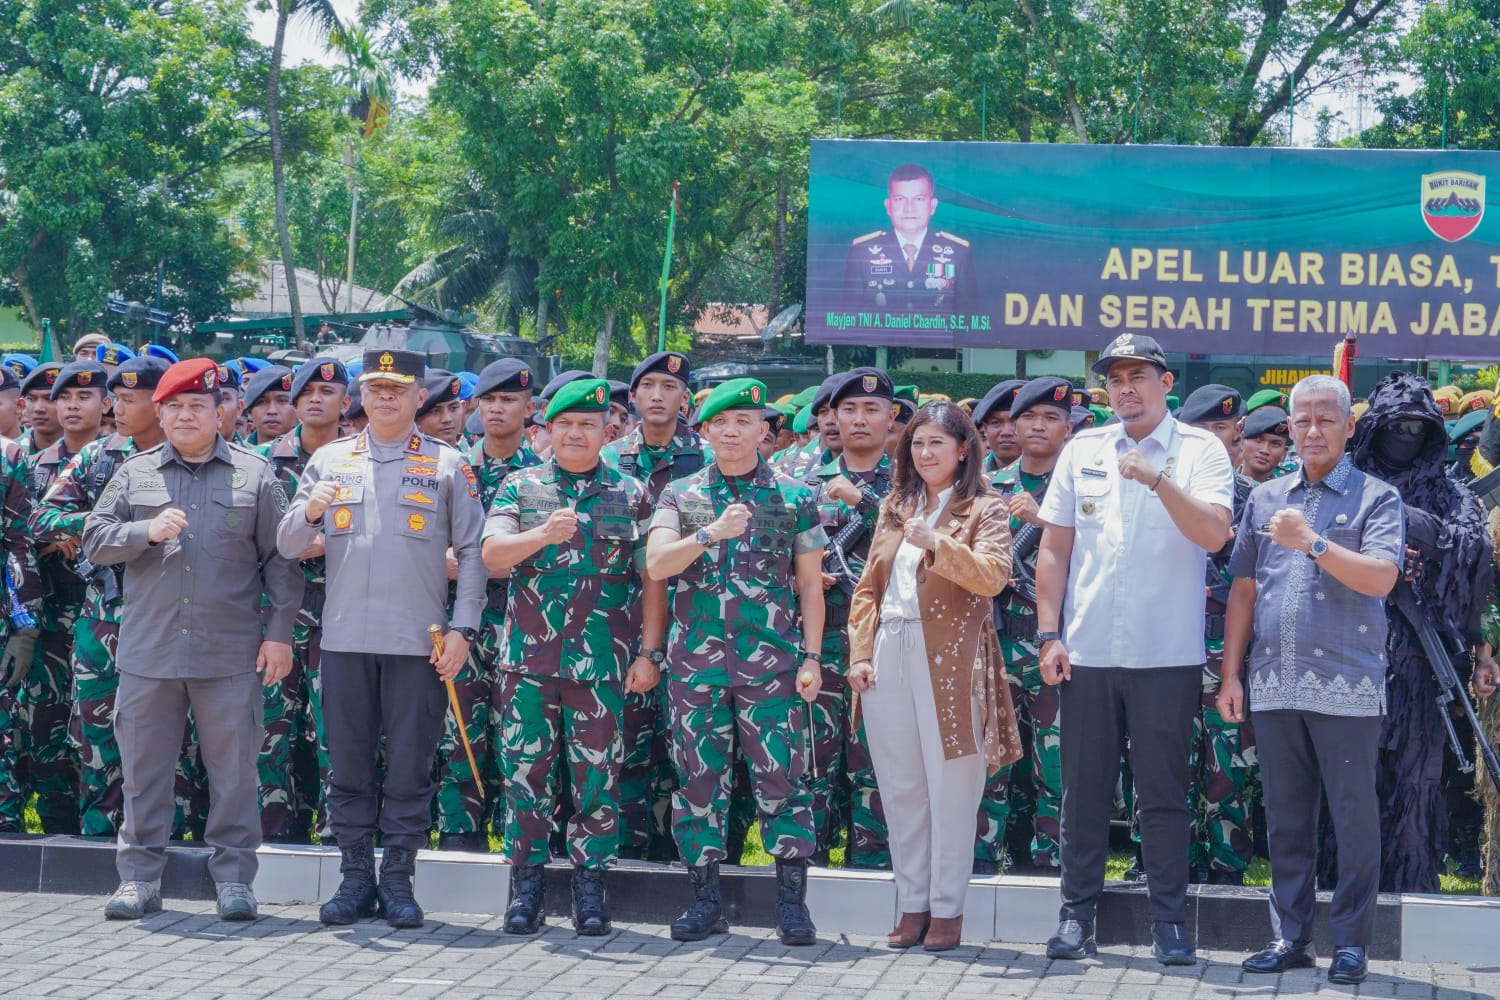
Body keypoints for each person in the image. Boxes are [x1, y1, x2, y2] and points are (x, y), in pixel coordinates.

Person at [1035, 333, 1233, 965]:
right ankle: (1076, 916)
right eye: (1115, 379)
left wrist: (1157, 479)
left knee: (1164, 794)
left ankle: (1169, 921)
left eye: (1138, 376)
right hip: (1088, 650)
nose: (1125, 389)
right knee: (1083, 793)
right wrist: (1048, 632)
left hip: (1166, 654)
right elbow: (1055, 548)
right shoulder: (1084, 449)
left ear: (1165, 384)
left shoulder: (1199, 449)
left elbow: (1215, 533)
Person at [82, 358, 303, 921]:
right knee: (143, 774)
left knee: (235, 775)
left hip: (228, 653)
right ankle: (138, 879)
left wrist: (279, 635)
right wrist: (144, 531)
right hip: (149, 653)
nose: (185, 416)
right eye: (175, 407)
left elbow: (281, 563)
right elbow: (95, 540)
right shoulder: (134, 473)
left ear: (220, 411)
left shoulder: (256, 475)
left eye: (197, 406)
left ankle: (234, 880)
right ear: (160, 414)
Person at [278, 347, 486, 929]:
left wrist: (464, 629)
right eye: (375, 388)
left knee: (410, 768)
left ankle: (397, 879)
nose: (386, 397)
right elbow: (287, 545)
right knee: (347, 766)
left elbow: (472, 553)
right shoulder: (330, 460)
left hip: (419, 642)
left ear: (419, 396)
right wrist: (310, 511)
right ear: (360, 397)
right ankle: (354, 878)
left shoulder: (448, 464)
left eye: (398, 389)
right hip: (345, 640)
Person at [1218, 374, 1407, 986]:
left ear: (1350, 426)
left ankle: (1351, 943)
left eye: (1326, 419)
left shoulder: (1377, 497)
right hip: (1274, 681)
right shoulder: (1266, 497)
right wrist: (1231, 674)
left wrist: (1313, 543)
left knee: (1353, 818)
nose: (1312, 431)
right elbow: (1244, 590)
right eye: (1302, 420)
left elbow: (1381, 578)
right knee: (1285, 817)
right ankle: (1290, 937)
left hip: (1346, 683)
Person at [645, 378, 824, 946]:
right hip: (696, 668)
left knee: (783, 779)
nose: (731, 431)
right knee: (699, 781)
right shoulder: (680, 494)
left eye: (744, 421)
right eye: (720, 422)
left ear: (762, 430)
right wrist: (710, 532)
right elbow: (657, 565)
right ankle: (705, 902)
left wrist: (812, 657)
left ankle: (791, 905)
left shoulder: (795, 496)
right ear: (703, 431)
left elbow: (810, 586)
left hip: (771, 666)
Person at [482, 377, 664, 936]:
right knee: (525, 776)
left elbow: (652, 578)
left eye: (588, 424)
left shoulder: (631, 493)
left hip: (602, 664)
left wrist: (649, 653)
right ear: (547, 429)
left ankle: (591, 888)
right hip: (528, 665)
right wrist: (541, 534)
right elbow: (492, 555)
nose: (576, 433)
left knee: (596, 779)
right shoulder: (520, 486)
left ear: (608, 431)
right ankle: (526, 888)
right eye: (565, 424)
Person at [846, 401, 1021, 952]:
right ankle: (913, 903)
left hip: (952, 656)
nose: (924, 453)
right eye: (917, 443)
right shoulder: (896, 505)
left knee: (952, 788)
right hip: (889, 647)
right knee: (901, 789)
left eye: (937, 443)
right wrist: (860, 652)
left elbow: (993, 577)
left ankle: (947, 909)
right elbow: (868, 588)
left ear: (963, 449)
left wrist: (937, 543)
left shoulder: (986, 508)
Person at [1335, 372, 1493, 894]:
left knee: (1415, 780)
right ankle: (1342, 885)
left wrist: (1408, 525)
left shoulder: (1447, 493)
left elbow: (1472, 551)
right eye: (1396, 426)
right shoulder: (1342, 481)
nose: (1405, 436)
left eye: (1416, 427)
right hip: (1345, 652)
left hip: (1420, 662)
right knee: (1348, 777)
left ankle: (1409, 887)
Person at [31, 356, 169, 835]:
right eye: (116, 399)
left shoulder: (188, 456)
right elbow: (41, 518)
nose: (117, 409)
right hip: (105, 614)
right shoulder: (99, 456)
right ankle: (100, 835)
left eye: (130, 400)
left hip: (170, 614)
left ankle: (169, 837)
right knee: (95, 731)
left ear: (160, 404)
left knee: (174, 739)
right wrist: (97, 524)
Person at [602, 351, 708, 862]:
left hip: (698, 622)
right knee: (624, 743)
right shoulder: (608, 459)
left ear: (685, 397)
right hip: (621, 621)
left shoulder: (709, 459)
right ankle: (626, 855)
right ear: (633, 395)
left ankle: (688, 856)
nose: (659, 395)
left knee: (690, 749)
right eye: (648, 386)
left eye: (670, 386)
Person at [434, 359, 541, 853]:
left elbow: (544, 552)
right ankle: (460, 833)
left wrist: (480, 565)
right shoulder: (450, 467)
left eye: (509, 400)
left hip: (526, 620)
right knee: (458, 730)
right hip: (459, 618)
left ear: (529, 408)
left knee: (523, 736)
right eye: (490, 400)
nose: (497, 409)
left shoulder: (542, 475)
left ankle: (523, 840)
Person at [978, 376, 1073, 874]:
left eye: (1051, 417)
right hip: (994, 646)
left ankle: (1051, 862)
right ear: (1013, 426)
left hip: (1056, 649)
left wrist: (1043, 520)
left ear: (1068, 427)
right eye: (1029, 417)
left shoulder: (1082, 490)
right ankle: (980, 858)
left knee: (1057, 768)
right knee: (988, 765)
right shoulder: (985, 488)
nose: (1038, 426)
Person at [258, 358, 349, 844]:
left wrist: (328, 542)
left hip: (342, 614)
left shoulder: (362, 461)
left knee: (339, 733)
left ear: (346, 403)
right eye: (307, 391)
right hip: (274, 616)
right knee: (268, 731)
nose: (316, 399)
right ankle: (271, 835)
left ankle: (339, 838)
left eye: (327, 391)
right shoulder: (259, 462)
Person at [808, 367, 896, 869]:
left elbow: (917, 536)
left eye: (871, 409)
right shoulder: (803, 483)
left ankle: (873, 869)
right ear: (834, 417)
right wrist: (801, 576)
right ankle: (806, 871)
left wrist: (862, 499)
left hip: (883, 644)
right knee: (813, 764)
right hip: (818, 643)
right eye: (849, 410)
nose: (860, 419)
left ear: (891, 417)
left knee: (877, 766)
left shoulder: (914, 483)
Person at [21, 359, 109, 834]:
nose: (72, 406)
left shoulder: (120, 459)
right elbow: (19, 532)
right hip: (50, 617)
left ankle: (103, 825)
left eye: (84, 397)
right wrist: (54, 538)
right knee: (46, 728)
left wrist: (79, 530)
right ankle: (58, 828)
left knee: (101, 727)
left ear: (107, 403)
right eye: (64, 398)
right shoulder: (31, 465)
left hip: (107, 615)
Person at [1176, 384, 1258, 886]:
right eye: (1201, 429)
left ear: (1238, 432)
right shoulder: (1163, 491)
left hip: (1227, 650)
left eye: (1221, 428)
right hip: (1168, 648)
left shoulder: (1255, 500)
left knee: (1229, 763)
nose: (1212, 438)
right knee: (1162, 759)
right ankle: (1163, 858)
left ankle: (1229, 863)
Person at [843, 163, 976, 315]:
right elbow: (849, 318)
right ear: (888, 206)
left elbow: (970, 319)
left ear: (932, 206)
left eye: (918, 199)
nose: (909, 208)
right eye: (900, 199)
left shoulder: (958, 253)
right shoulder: (862, 252)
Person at [972, 380, 1025, 474]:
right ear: (985, 428)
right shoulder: (968, 476)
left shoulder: (1053, 476)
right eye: (996, 422)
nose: (1006, 432)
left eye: (1015, 423)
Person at [242, 366, 294, 445]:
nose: (272, 411)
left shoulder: (313, 452)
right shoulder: (233, 452)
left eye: (282, 401)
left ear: (297, 408)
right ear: (249, 412)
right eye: (261, 402)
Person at [1239, 407, 1292, 485]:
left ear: (1284, 453)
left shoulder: (1286, 491)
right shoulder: (1223, 483)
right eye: (1258, 440)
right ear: (1242, 440)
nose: (1265, 450)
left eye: (1275, 444)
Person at [416, 369, 465, 447]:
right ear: (416, 419)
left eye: (453, 408)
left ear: (463, 408)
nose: (447, 419)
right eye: (435, 411)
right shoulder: (404, 454)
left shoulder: (473, 453)